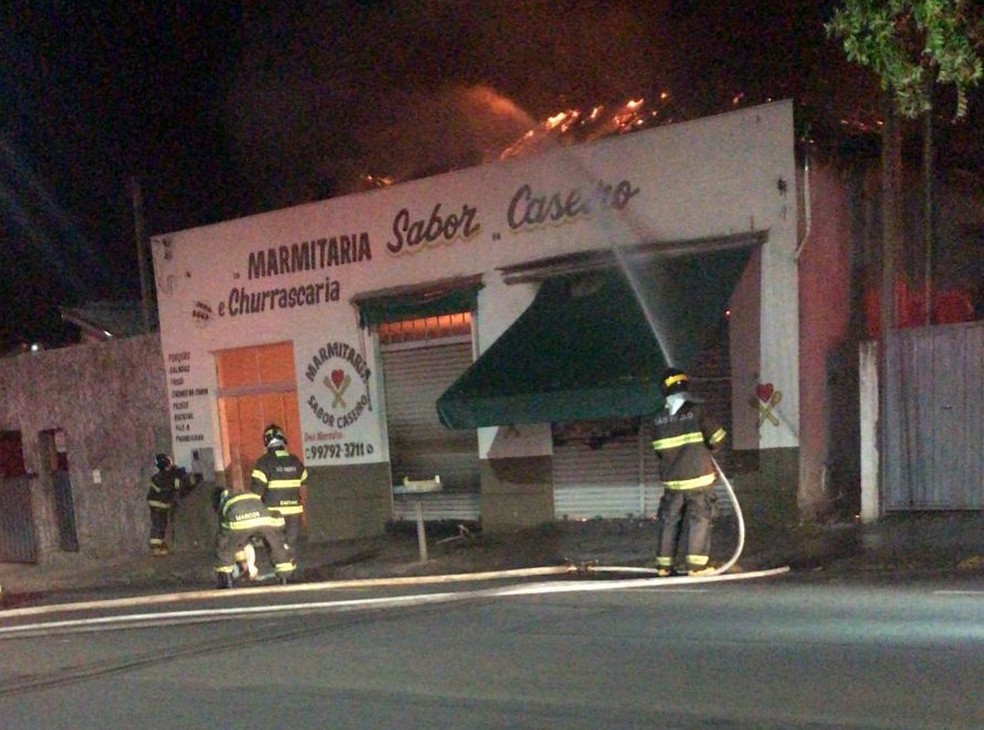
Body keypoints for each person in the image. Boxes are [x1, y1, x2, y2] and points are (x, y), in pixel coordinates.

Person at [651, 368, 727, 577]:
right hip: (698, 479)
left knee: (669, 521)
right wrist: (708, 448)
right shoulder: (698, 410)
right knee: (700, 519)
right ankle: (696, 566)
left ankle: (664, 566)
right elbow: (718, 438)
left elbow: (658, 451)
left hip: (672, 481)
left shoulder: (658, 418)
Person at [213, 486, 296, 588]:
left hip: (239, 521)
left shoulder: (224, 500)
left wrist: (241, 560)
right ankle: (285, 578)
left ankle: (226, 581)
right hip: (265, 520)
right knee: (276, 546)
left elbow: (231, 537)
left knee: (225, 547)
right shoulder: (248, 494)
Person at [250, 424, 307, 567]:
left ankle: (281, 574)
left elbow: (256, 493)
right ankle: (289, 571)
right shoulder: (295, 461)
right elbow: (304, 481)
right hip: (294, 512)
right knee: (290, 544)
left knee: (275, 545)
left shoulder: (263, 463)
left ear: (266, 442)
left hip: (273, 513)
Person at [146, 453, 201, 555]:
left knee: (161, 523)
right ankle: (156, 548)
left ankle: (160, 546)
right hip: (160, 503)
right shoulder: (168, 476)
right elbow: (180, 486)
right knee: (159, 524)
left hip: (158, 503)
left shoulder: (160, 476)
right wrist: (195, 479)